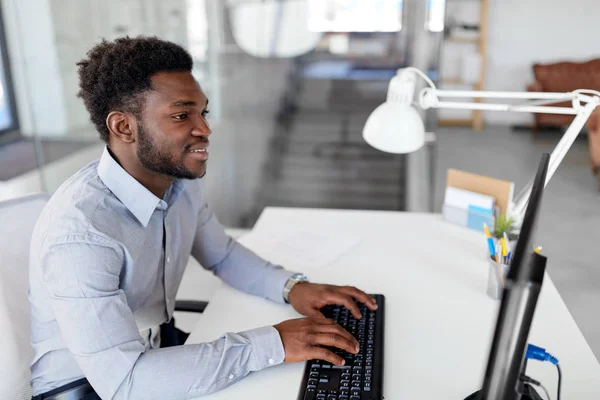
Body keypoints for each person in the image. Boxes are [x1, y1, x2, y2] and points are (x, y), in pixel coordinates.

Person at [28, 36, 378, 400]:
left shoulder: (177, 181)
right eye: (182, 115)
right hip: (87, 387)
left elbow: (221, 254)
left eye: (203, 112)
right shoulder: (82, 235)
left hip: (156, 349)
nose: (205, 129)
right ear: (123, 127)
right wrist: (272, 342)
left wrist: (292, 288)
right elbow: (126, 383)